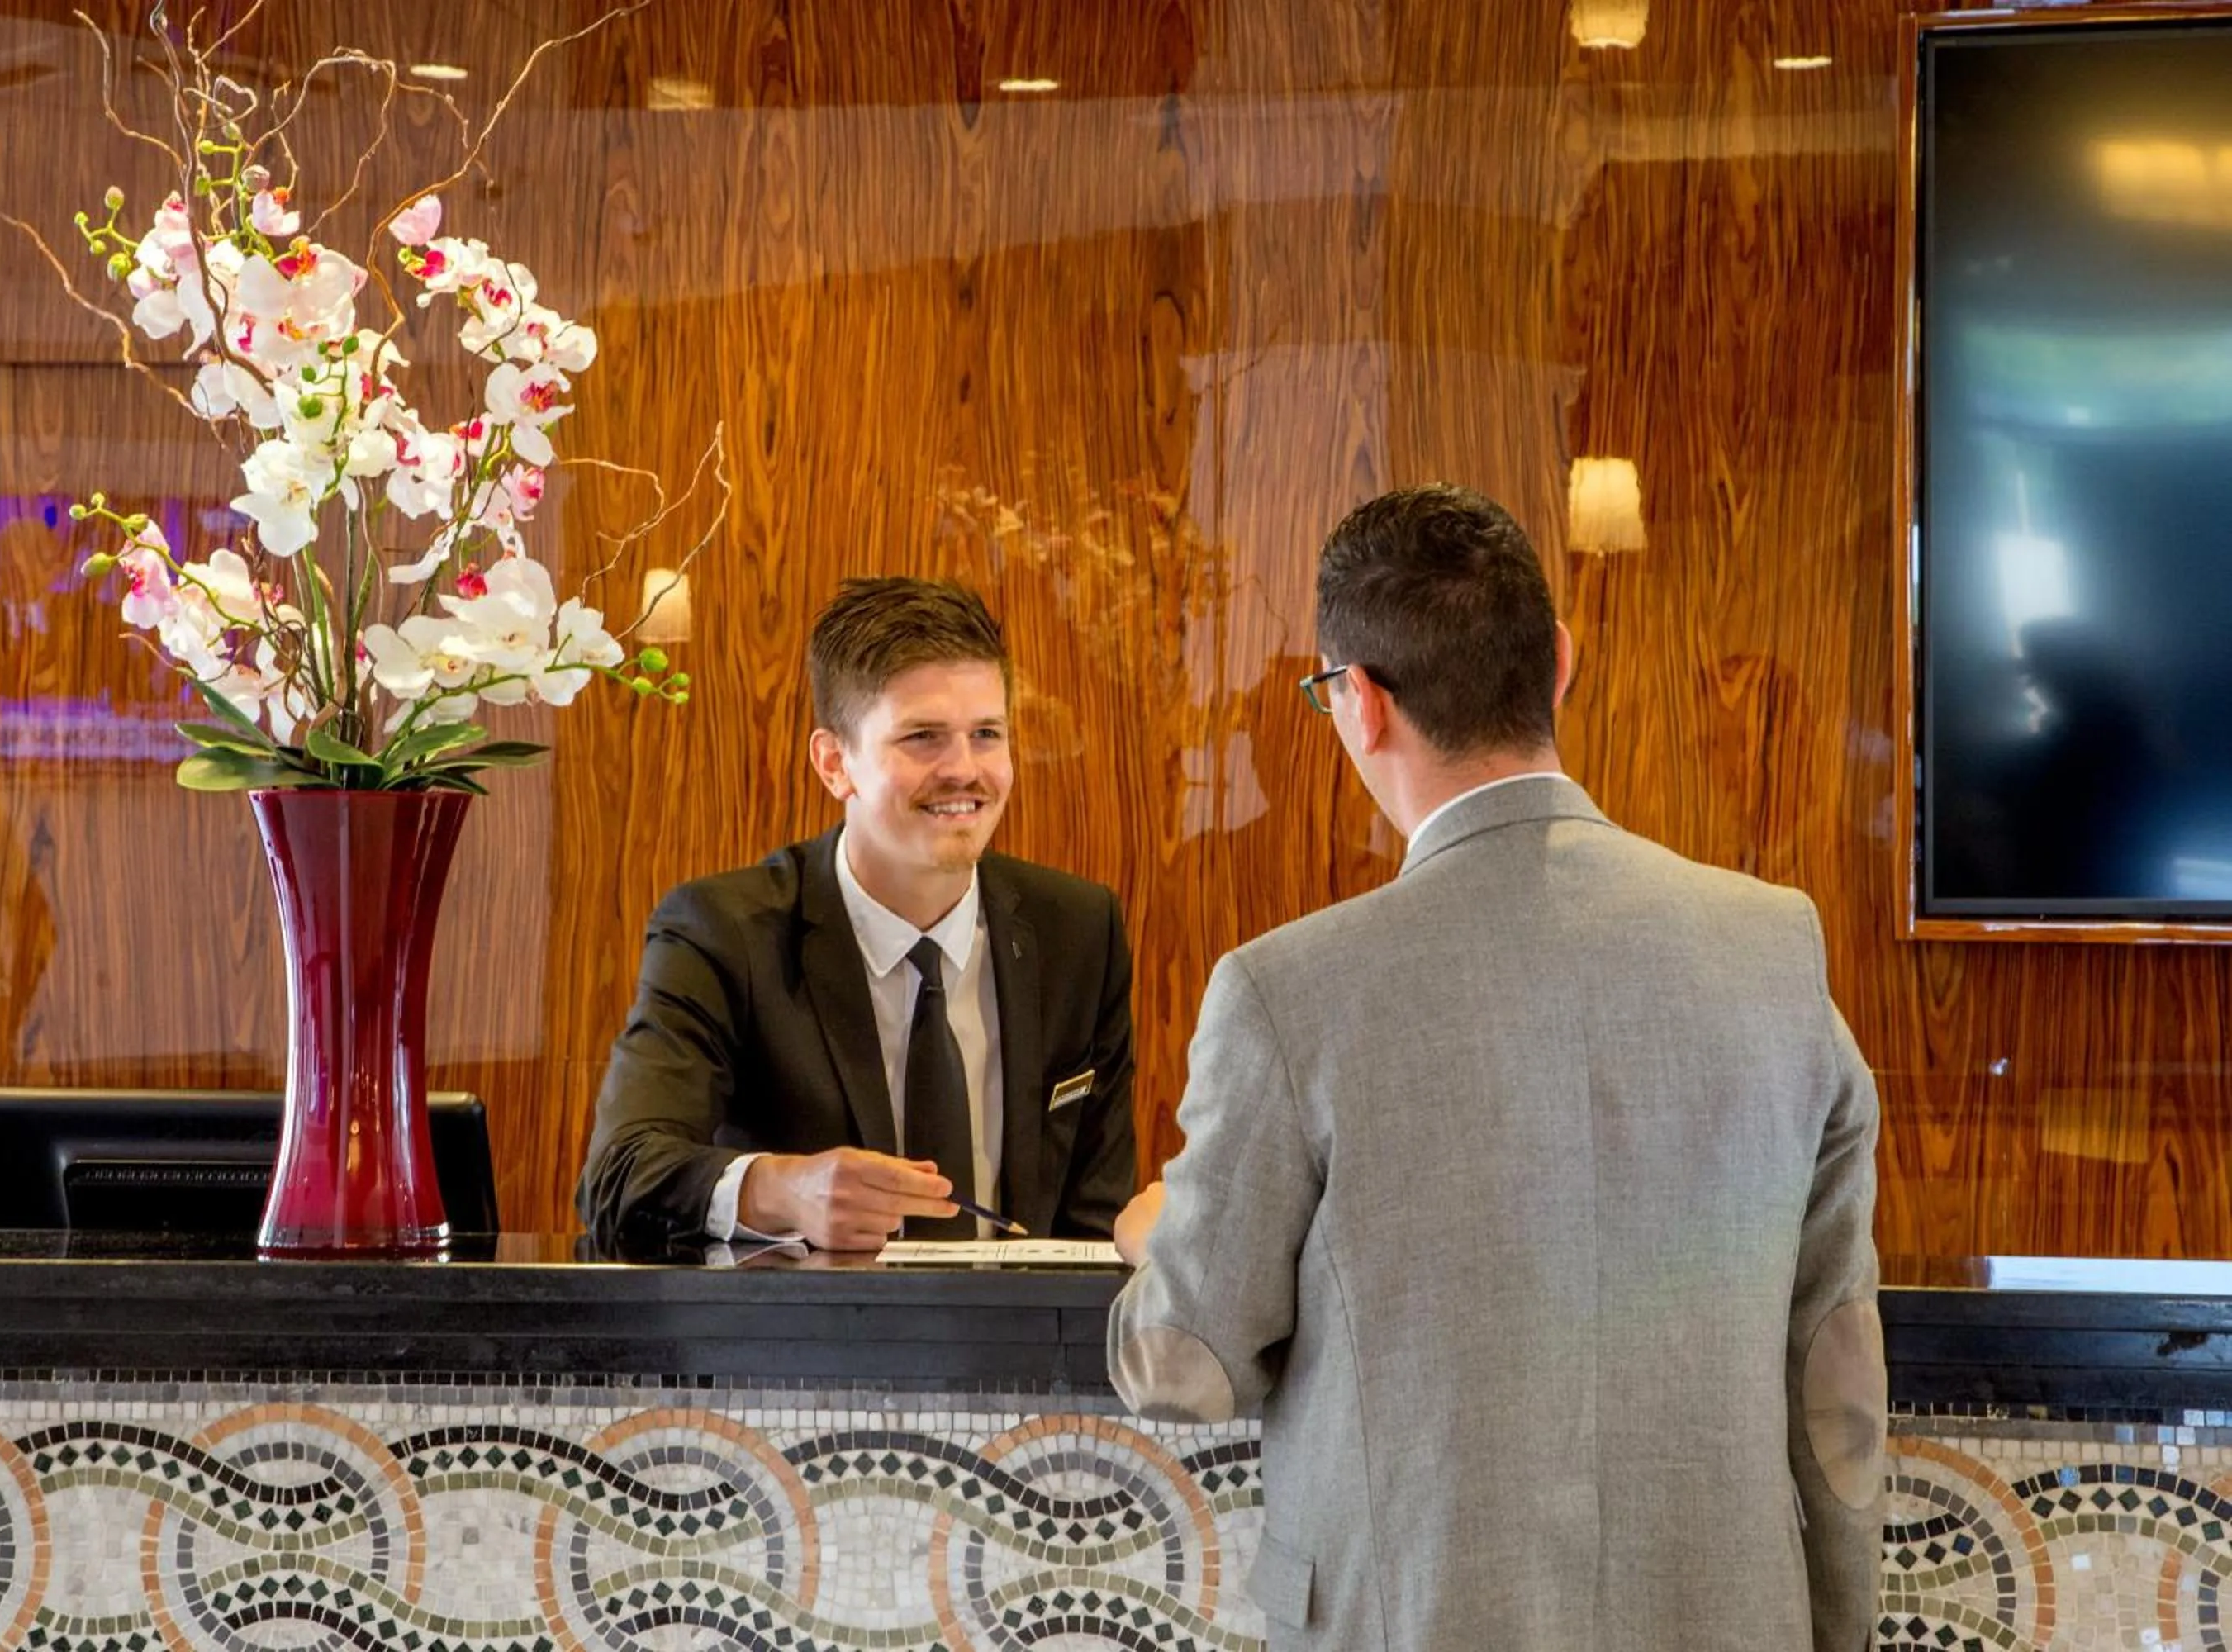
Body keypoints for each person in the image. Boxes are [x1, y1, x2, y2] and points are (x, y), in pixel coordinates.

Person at [1106, 485, 1883, 1650]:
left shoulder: (1286, 992)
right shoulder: (1778, 950)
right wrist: (1839, 1627)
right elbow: (1837, 1379)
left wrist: (1160, 1235)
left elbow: (1186, 1368)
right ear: (1559, 663)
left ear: (1362, 703)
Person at [582, 577, 1136, 1253]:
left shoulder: (1079, 932)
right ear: (834, 763)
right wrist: (781, 1190)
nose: (965, 770)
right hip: (803, 1322)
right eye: (923, 737)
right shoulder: (724, 932)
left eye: (987, 734)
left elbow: (1095, 1226)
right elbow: (619, 1176)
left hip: (1025, 1325)